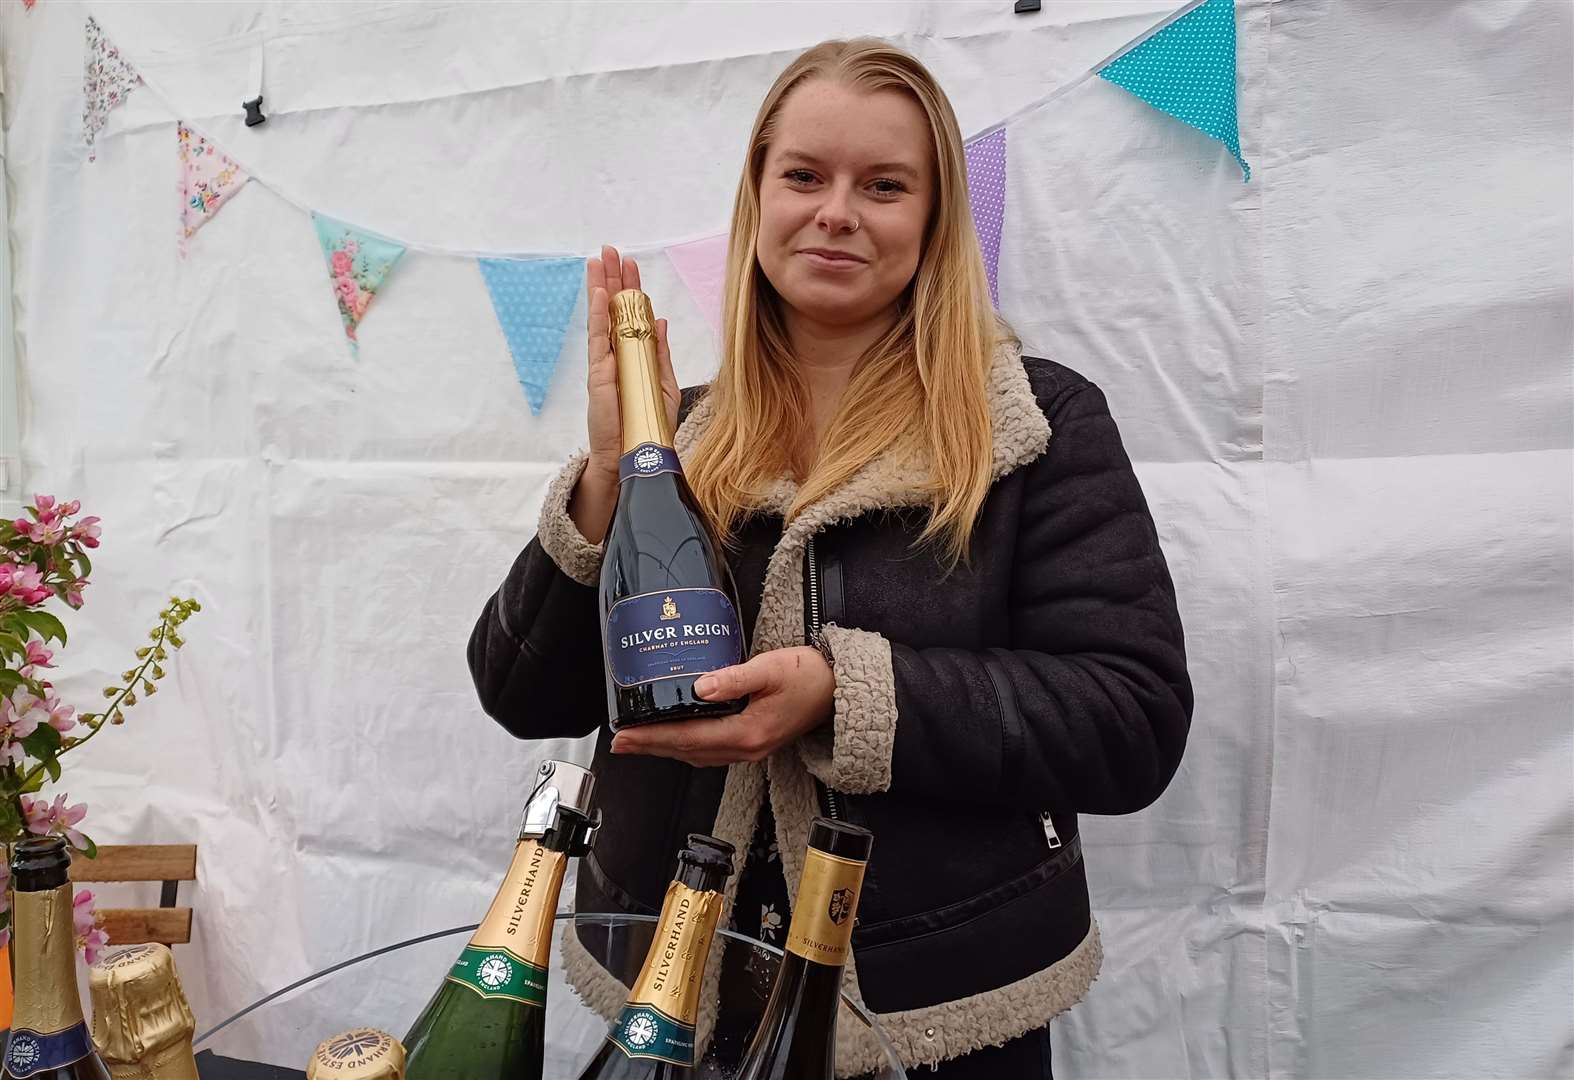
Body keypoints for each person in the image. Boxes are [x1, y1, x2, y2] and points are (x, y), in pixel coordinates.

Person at [468, 37, 1193, 1080]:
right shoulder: (673, 436)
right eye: (803, 175)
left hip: (932, 1015)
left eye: (884, 185)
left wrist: (841, 695)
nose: (836, 211)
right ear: (756, 196)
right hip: (677, 1004)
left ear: (935, 217)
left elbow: (1131, 720)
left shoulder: (1033, 425)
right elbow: (521, 695)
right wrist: (601, 472)